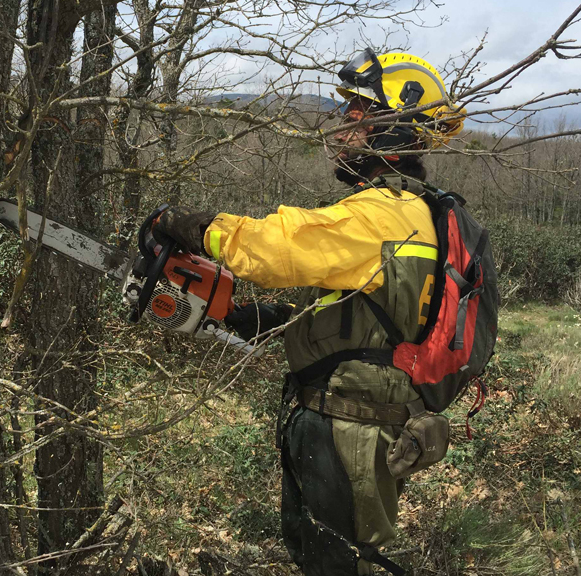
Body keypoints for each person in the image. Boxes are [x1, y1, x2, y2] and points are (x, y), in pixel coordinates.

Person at [151, 49, 465, 575]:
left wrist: (188, 225)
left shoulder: (384, 214)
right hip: (341, 420)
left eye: (357, 116)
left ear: (395, 129)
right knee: (323, 557)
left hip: (351, 430)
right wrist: (262, 319)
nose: (341, 130)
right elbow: (359, 312)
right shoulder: (405, 210)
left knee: (345, 565)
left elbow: (274, 249)